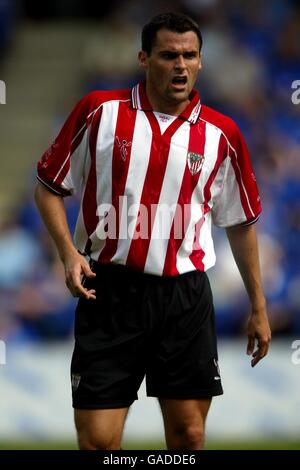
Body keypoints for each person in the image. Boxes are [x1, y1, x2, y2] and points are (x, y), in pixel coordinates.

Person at [34, 12, 271, 451]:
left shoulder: (223, 134)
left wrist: (258, 306)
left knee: (189, 437)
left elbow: (240, 223)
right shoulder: (100, 112)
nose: (180, 65)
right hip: (110, 293)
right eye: (168, 55)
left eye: (190, 55)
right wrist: (68, 254)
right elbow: (49, 189)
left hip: (185, 298)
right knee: (99, 443)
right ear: (144, 59)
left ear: (201, 62)